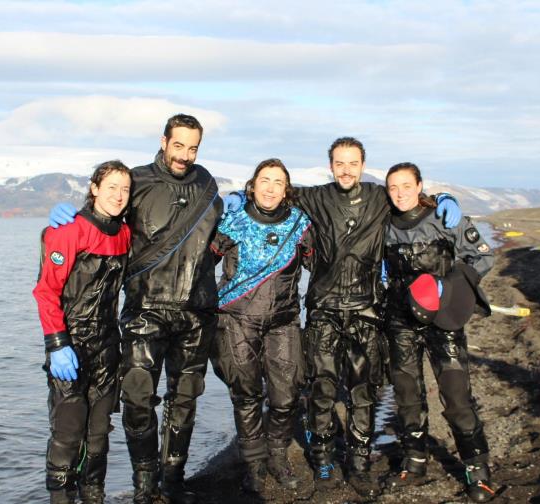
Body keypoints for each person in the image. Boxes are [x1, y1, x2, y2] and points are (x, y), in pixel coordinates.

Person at [227, 138, 462, 497]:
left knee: (362, 392)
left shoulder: (378, 196)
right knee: (321, 389)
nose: (347, 169)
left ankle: (359, 461)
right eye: (340, 163)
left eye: (353, 162)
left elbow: (409, 198)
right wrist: (238, 200)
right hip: (323, 307)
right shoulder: (316, 197)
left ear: (363, 164)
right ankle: (322, 458)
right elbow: (274, 196)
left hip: (367, 308)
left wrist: (443, 198)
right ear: (331, 165)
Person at [49, 114, 225, 504]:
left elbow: (217, 237)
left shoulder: (209, 185)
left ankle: (174, 479)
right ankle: (145, 484)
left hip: (197, 312)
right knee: (138, 399)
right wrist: (70, 216)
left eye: (192, 147)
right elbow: (104, 221)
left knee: (185, 400)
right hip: (146, 309)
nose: (184, 154)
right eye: (178, 145)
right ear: (164, 141)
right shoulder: (137, 181)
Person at [382, 162, 496, 502]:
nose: (400, 193)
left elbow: (482, 257)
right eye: (393, 187)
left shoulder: (446, 219)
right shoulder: (382, 223)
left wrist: (449, 289)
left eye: (406, 185)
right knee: (406, 394)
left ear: (419, 186)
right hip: (400, 319)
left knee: (456, 393)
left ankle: (478, 470)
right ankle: (415, 461)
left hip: (443, 321)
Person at [209, 159, 312, 496]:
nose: (270, 188)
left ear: (287, 190)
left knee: (285, 396)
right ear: (251, 186)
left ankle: (278, 454)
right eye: (264, 180)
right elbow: (195, 260)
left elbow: (326, 264)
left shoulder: (301, 224)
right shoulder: (232, 221)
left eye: (277, 182)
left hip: (283, 321)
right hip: (237, 320)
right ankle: (254, 462)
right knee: (247, 394)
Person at [33, 160, 133, 504]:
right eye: (111, 188)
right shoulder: (69, 229)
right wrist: (57, 344)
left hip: (108, 346)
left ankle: (94, 496)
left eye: (125, 189)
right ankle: (61, 499)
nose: (119, 196)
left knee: (99, 435)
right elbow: (45, 291)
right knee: (67, 434)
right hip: (71, 346)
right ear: (93, 188)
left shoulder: (124, 233)